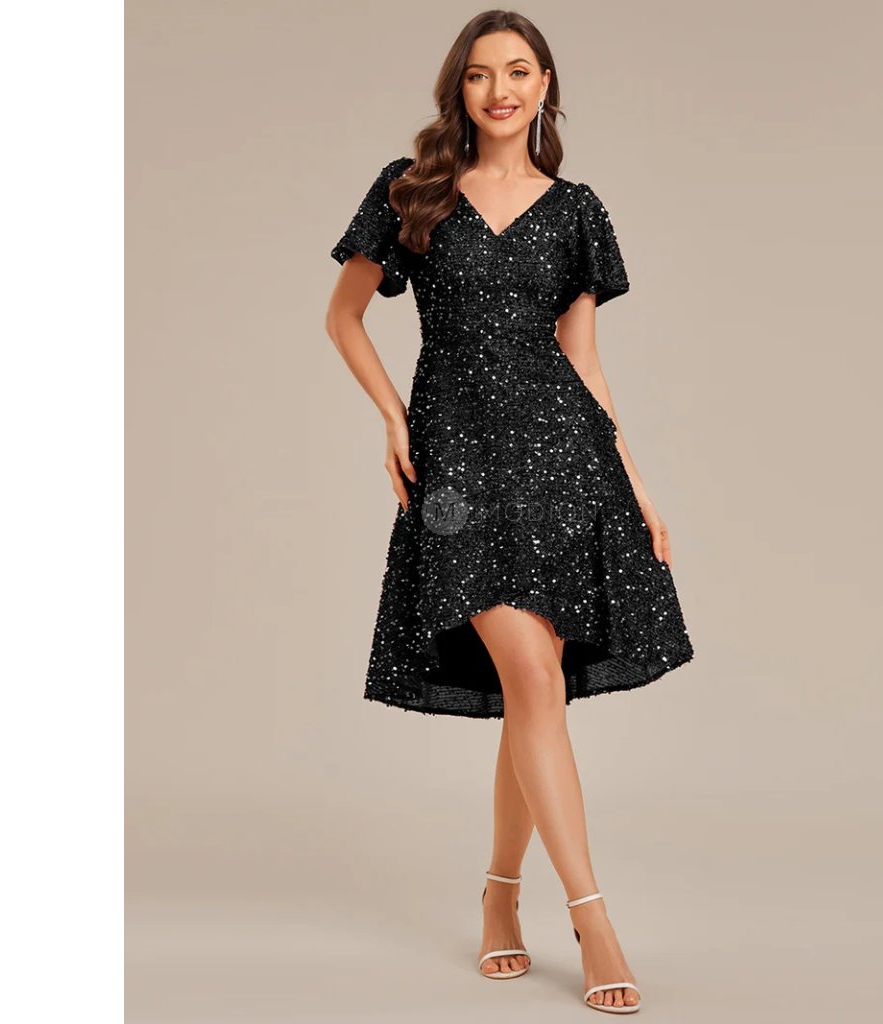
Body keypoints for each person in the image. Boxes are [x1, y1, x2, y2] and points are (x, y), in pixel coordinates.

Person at [323, 10, 694, 1015]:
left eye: (519, 71)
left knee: (535, 691)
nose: (501, 89)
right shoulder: (412, 190)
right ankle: (593, 916)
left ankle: (499, 893)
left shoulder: (576, 210)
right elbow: (343, 315)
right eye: (482, 73)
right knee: (529, 675)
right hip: (454, 463)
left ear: (544, 87)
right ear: (460, 88)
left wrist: (635, 483)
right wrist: (392, 418)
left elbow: (585, 362)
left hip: (564, 465)